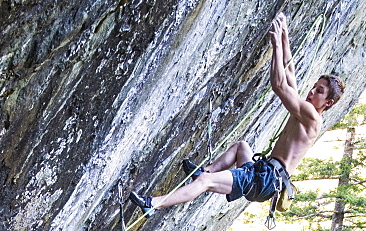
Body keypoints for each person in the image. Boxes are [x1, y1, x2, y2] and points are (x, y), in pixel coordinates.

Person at [130, 13, 344, 215]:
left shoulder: (312, 117)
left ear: (328, 102)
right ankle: (205, 171)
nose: (312, 91)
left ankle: (153, 204)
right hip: (265, 175)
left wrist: (276, 44)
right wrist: (285, 34)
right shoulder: (305, 111)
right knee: (241, 147)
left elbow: (279, 85)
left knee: (205, 184)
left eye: (319, 91)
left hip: (266, 178)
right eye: (314, 86)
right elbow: (289, 73)